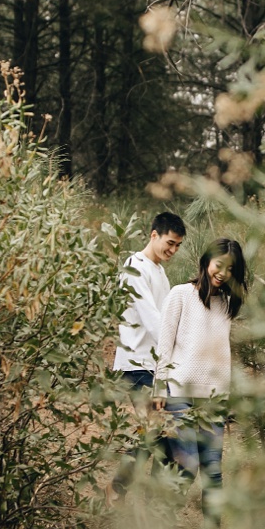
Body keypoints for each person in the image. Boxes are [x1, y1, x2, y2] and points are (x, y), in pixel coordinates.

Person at [153, 238, 247, 529]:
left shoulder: (228, 305)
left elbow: (221, 354)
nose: (222, 272)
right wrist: (158, 387)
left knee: (213, 474)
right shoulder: (181, 294)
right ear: (207, 261)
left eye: (230, 268)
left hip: (214, 400)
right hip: (179, 394)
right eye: (218, 264)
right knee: (188, 464)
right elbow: (164, 345)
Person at [109, 212, 185, 498]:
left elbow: (167, 319)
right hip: (135, 363)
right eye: (170, 243)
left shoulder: (160, 272)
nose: (173, 250)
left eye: (178, 245)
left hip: (155, 365)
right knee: (152, 430)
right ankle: (117, 489)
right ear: (153, 235)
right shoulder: (135, 266)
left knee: (164, 435)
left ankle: (154, 501)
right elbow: (154, 320)